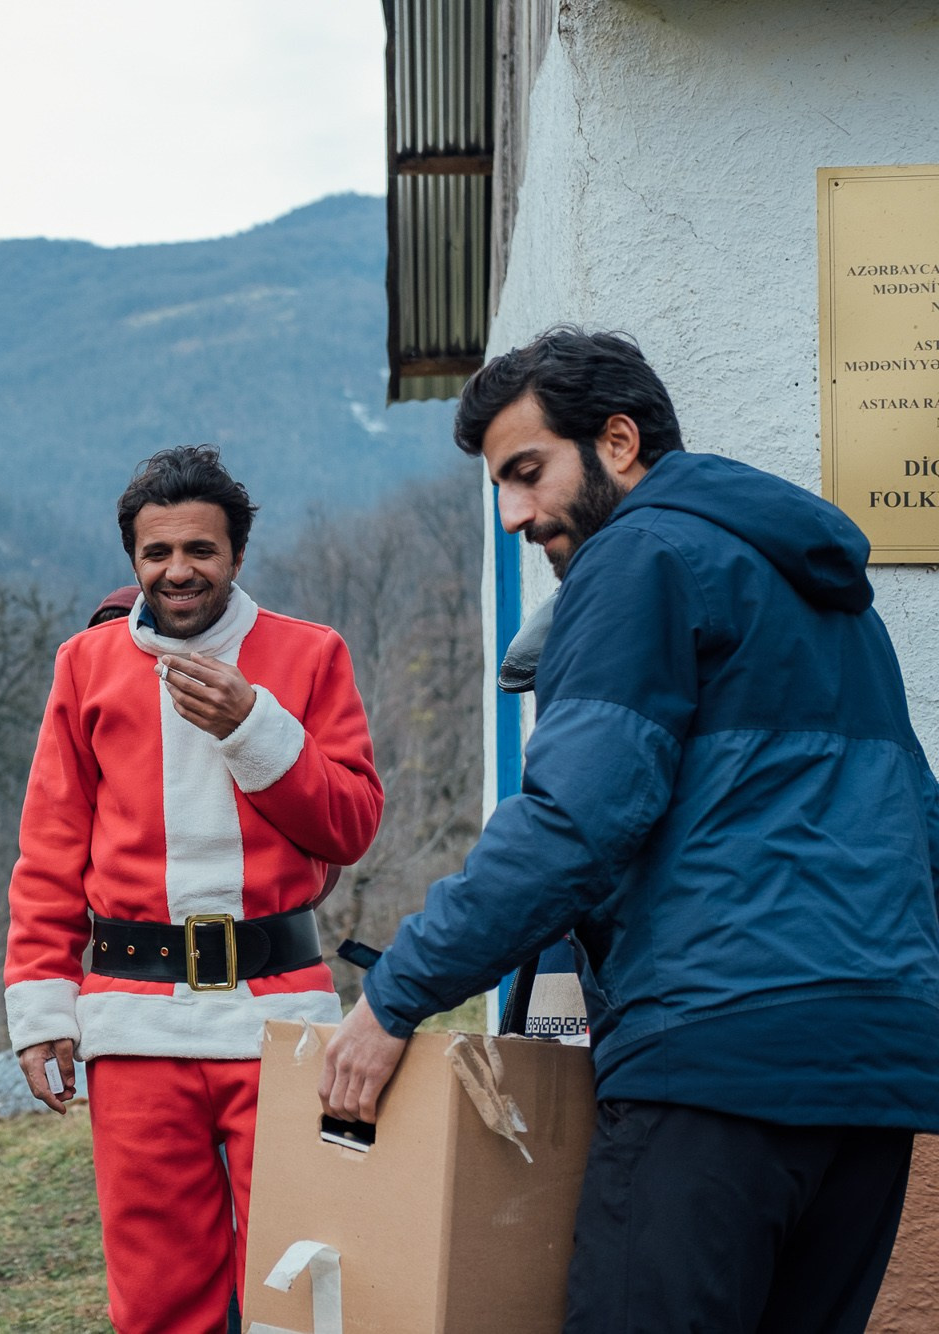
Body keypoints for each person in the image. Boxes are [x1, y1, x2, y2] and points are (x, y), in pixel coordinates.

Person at [322, 328, 939, 1334]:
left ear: (616, 440)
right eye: (500, 487)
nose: (515, 513)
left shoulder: (636, 556)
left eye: (527, 472)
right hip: (872, 1080)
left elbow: (571, 822)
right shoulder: (828, 602)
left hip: (716, 1063)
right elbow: (919, 821)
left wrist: (395, 996)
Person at [6, 446, 383, 1333]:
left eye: (201, 551)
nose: (179, 571)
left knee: (302, 1281)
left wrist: (254, 727)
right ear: (133, 560)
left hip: (281, 1013)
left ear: (237, 556)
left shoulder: (310, 654)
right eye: (157, 553)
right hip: (134, 1017)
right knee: (158, 1298)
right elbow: (50, 847)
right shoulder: (85, 666)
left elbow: (352, 825)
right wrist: (43, 1010)